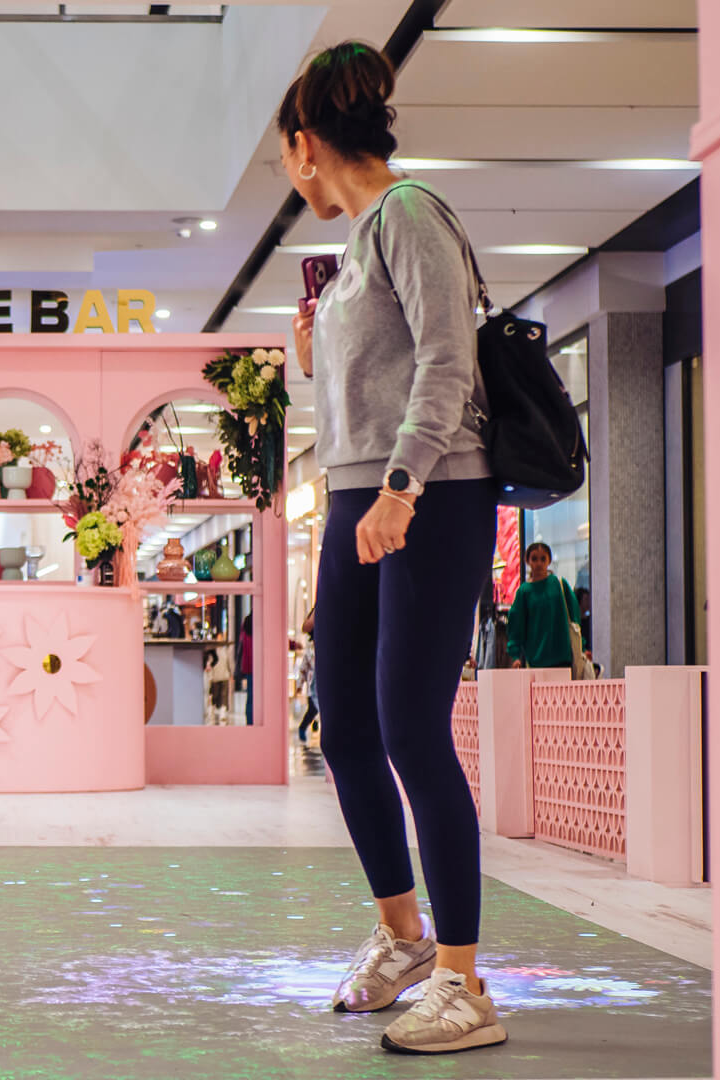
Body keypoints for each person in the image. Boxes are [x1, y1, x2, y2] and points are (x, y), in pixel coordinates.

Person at [284, 42, 507, 1054]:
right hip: (353, 500)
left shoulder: (409, 216)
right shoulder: (358, 243)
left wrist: (404, 486)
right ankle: (404, 936)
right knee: (343, 729)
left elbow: (451, 363)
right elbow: (381, 377)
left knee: (413, 730)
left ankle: (465, 983)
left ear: (304, 147)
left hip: (430, 495)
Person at [506, 542, 582, 672]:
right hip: (537, 661)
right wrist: (515, 655)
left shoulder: (559, 584)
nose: (539, 563)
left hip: (563, 657)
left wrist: (583, 647)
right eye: (534, 559)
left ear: (549, 560)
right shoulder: (524, 592)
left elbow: (575, 617)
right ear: (528, 561)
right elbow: (516, 626)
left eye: (543, 559)